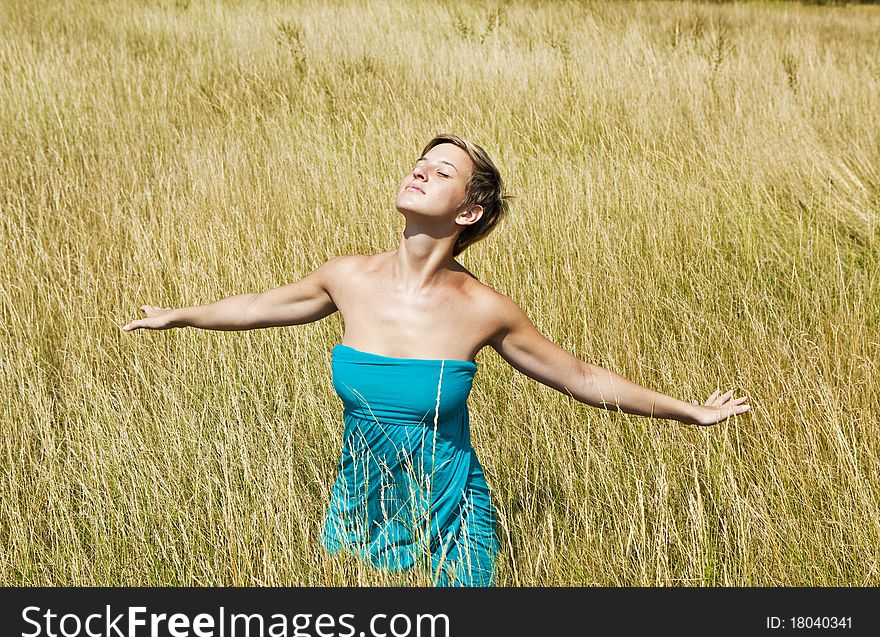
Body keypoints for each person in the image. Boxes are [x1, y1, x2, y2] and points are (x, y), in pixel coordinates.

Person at [121, 132, 750, 587]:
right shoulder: (347, 278)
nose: (420, 171)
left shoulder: (484, 309)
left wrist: (689, 412)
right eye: (420, 163)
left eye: (441, 171)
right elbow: (259, 306)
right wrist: (178, 315)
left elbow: (579, 376)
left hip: (450, 515)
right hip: (360, 504)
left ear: (468, 211)